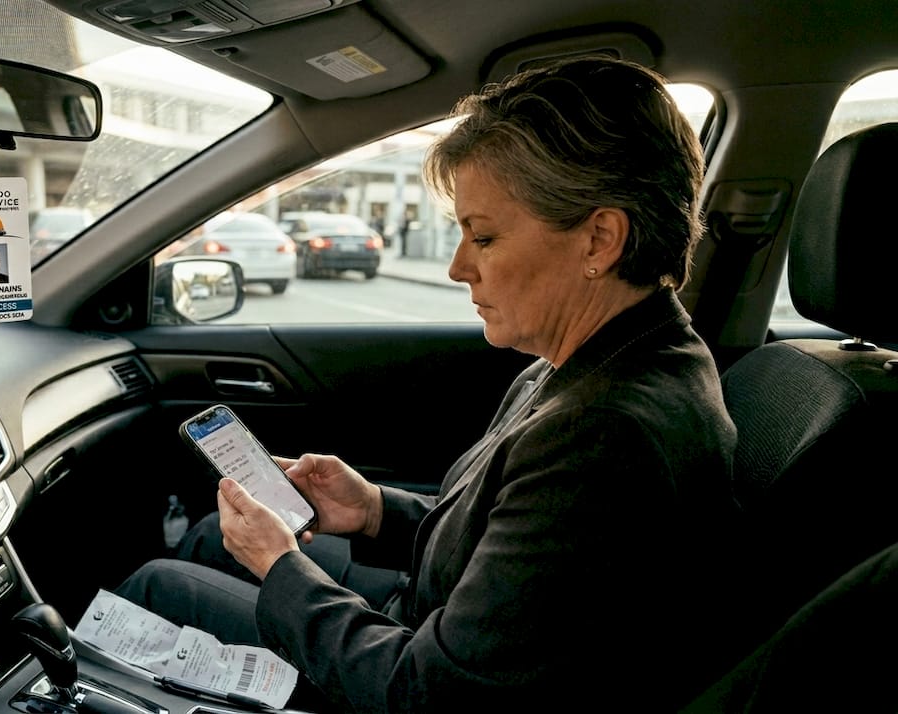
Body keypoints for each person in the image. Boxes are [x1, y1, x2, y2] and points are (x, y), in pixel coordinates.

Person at [116, 56, 741, 712]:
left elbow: (430, 693)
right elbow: (514, 557)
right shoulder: (610, 359)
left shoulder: (609, 435)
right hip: (432, 624)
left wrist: (280, 568)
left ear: (599, 240)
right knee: (216, 538)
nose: (456, 267)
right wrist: (372, 511)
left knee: (159, 587)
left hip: (414, 671)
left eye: (484, 237)